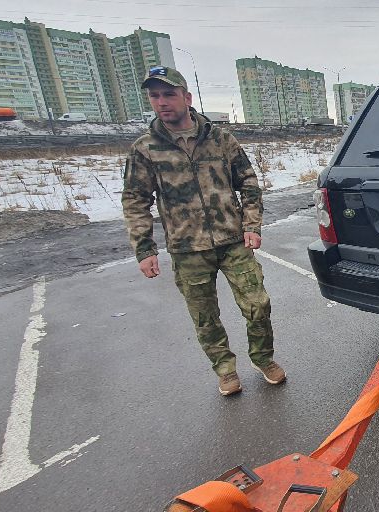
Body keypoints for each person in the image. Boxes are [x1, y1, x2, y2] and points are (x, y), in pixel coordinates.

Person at [121, 65, 285, 396]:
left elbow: (248, 182)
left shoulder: (221, 139)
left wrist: (252, 224)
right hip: (186, 248)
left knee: (258, 304)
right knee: (205, 317)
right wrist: (144, 249)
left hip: (233, 240)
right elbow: (136, 200)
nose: (162, 102)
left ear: (187, 97)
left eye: (169, 94)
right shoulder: (146, 148)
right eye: (155, 96)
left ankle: (263, 358)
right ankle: (225, 370)